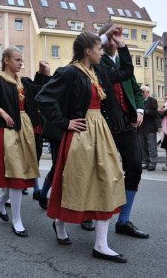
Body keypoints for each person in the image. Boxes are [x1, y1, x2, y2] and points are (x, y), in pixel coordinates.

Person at [36, 28, 133, 263]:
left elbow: (126, 72)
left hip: (101, 130)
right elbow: (43, 98)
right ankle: (59, 223)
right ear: (88, 51)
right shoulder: (69, 72)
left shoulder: (98, 70)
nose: (102, 51)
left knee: (108, 179)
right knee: (77, 182)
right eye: (99, 49)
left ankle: (101, 244)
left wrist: (121, 45)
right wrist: (64, 122)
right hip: (80, 134)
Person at [0, 46, 50, 237]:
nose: (21, 63)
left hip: (25, 130)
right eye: (17, 59)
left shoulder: (24, 82)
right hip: (7, 131)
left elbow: (42, 92)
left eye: (22, 60)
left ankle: (1, 200)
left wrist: (44, 73)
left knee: (21, 174)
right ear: (6, 60)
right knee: (15, 174)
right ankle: (17, 220)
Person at [81, 23, 149, 238]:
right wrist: (102, 38)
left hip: (127, 124)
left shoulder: (122, 60)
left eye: (116, 38)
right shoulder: (94, 62)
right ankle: (87, 214)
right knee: (98, 172)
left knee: (135, 168)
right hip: (104, 125)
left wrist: (139, 109)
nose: (112, 42)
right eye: (109, 38)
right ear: (101, 40)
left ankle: (124, 220)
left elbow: (137, 90)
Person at [138, 85, 158, 171]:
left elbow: (154, 112)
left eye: (143, 91)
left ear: (147, 92)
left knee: (152, 146)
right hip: (141, 127)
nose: (141, 93)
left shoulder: (153, 100)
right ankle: (145, 161)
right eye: (141, 92)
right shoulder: (139, 101)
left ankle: (152, 163)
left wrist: (143, 112)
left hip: (150, 127)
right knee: (143, 146)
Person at [158, 94, 167, 170]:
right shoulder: (165, 105)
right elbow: (161, 116)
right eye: (165, 97)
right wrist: (161, 112)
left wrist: (164, 111)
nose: (165, 98)